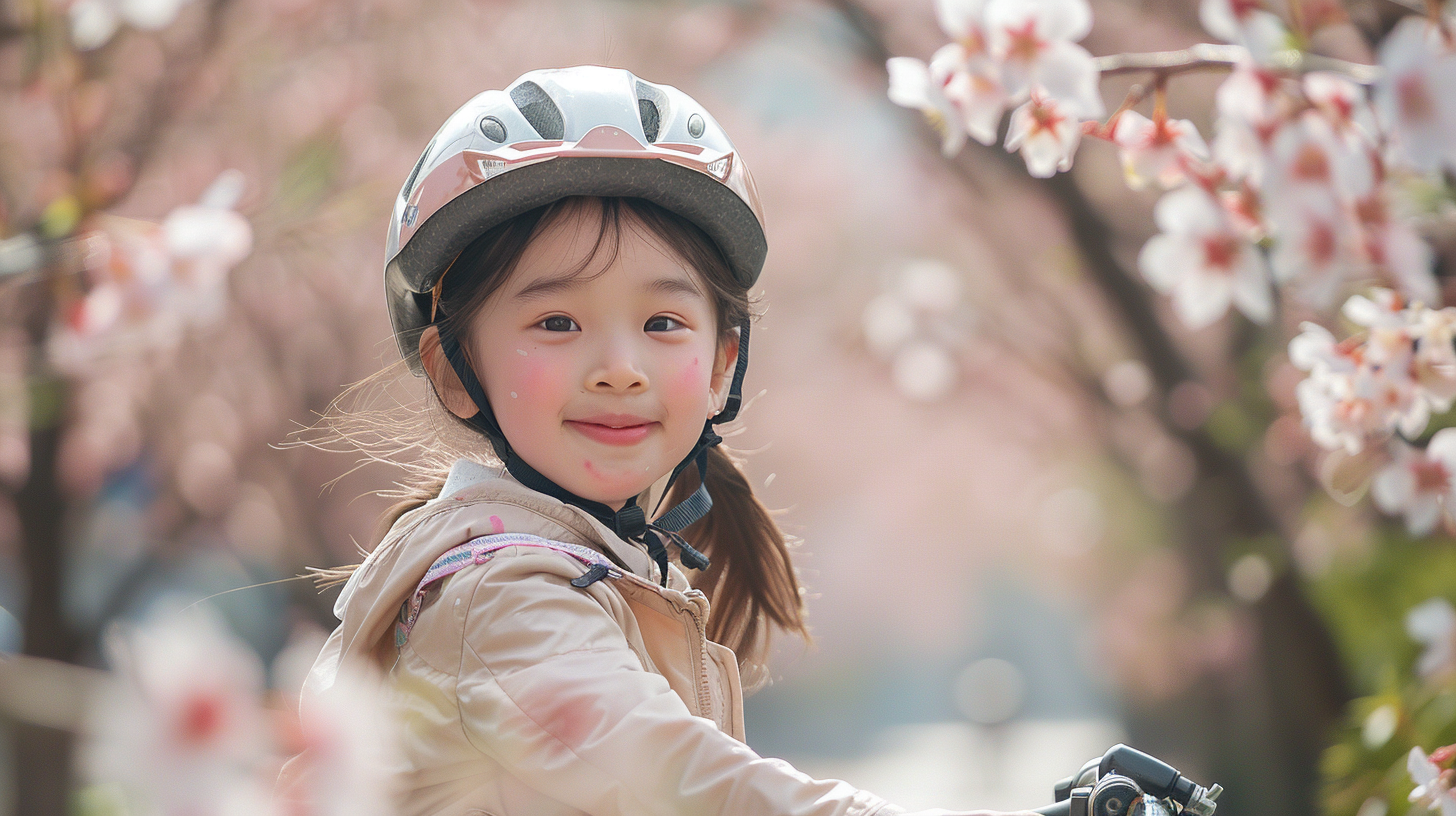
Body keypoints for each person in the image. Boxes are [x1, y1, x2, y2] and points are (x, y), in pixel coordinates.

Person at [298, 65, 1037, 816]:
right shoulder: (499, 601)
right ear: (454, 372)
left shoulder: (596, 568)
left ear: (722, 364)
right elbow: (682, 778)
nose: (620, 370)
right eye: (557, 323)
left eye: (662, 324)